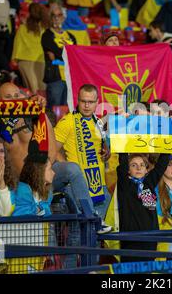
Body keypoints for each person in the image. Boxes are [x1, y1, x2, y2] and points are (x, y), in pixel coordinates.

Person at [54, 84, 112, 234]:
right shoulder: (67, 121)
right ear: (77, 101)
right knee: (78, 235)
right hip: (77, 187)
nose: (86, 105)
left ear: (97, 102)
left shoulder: (99, 123)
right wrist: (68, 168)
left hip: (100, 185)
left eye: (91, 102)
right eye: (83, 101)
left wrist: (107, 152)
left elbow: (103, 149)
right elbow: (51, 149)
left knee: (96, 238)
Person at [0, 82, 56, 177]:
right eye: (8, 97)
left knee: (71, 169)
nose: (14, 100)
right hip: (16, 180)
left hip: (42, 173)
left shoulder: (35, 114)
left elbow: (51, 149)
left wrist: (43, 174)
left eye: (16, 96)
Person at [116, 152, 170, 261]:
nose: (138, 168)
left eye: (142, 165)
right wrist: (122, 148)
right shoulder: (125, 184)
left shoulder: (149, 183)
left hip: (151, 239)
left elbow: (161, 165)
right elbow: (122, 164)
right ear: (128, 169)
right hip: (131, 240)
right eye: (133, 165)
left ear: (146, 169)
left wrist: (167, 148)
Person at [41, 3, 76, 108]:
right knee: (54, 108)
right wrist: (66, 52)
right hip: (55, 77)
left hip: (70, 77)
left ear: (63, 17)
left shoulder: (71, 36)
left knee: (68, 108)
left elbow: (75, 56)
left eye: (59, 15)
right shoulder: (47, 35)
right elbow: (56, 52)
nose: (56, 18)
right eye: (53, 15)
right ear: (50, 18)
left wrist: (59, 54)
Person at [12, 2, 49, 93]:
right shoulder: (46, 29)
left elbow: (17, 44)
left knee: (32, 91)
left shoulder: (22, 28)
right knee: (42, 91)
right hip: (41, 60)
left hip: (25, 61)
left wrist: (14, 59)